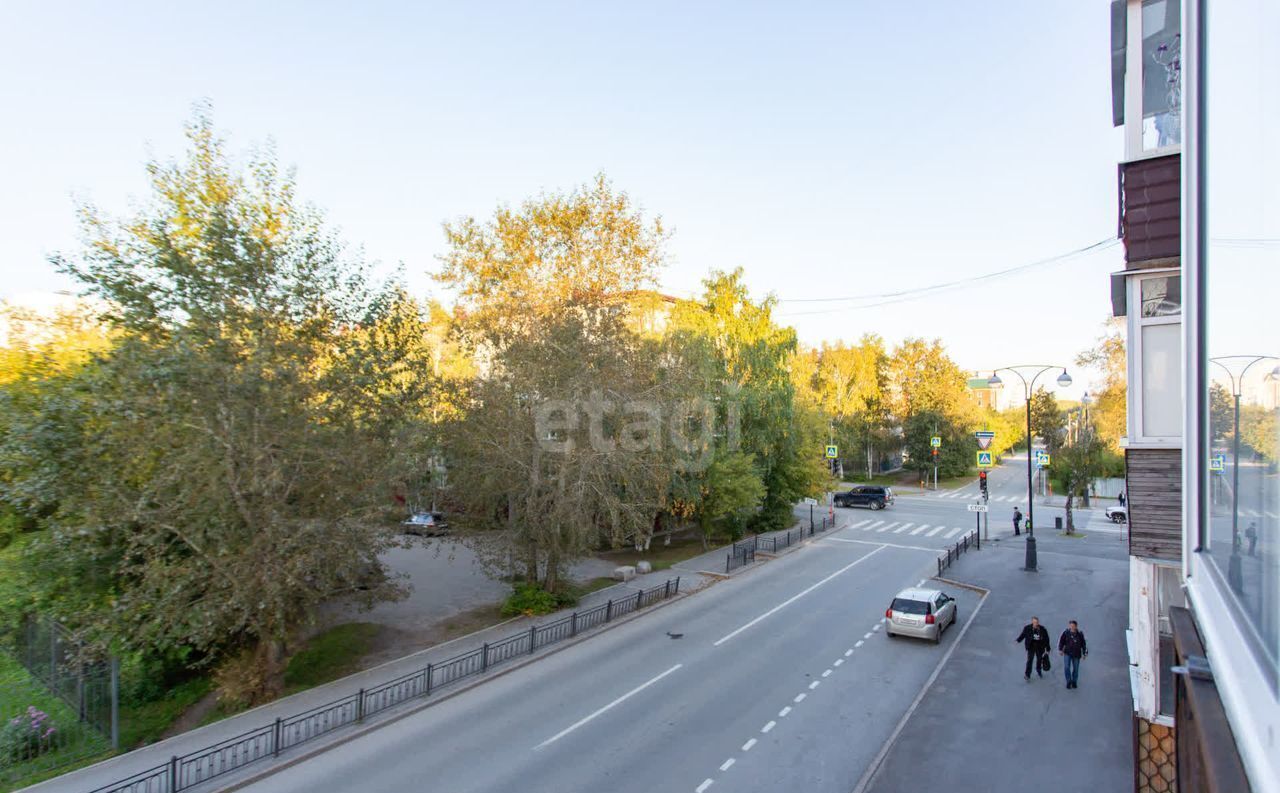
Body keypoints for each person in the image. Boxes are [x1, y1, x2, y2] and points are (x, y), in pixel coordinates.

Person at [1015, 616, 1050, 681]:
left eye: (1037, 622)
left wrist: (1048, 648)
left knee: (1039, 660)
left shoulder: (1042, 629)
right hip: (1031, 646)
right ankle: (1027, 675)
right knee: (1029, 660)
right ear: (1032, 622)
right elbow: (1023, 635)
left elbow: (1046, 639)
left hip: (1040, 647)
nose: (1036, 623)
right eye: (1034, 622)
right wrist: (1018, 640)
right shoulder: (1027, 628)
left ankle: (1038, 670)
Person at [1058, 620, 1088, 689]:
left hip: (1076, 654)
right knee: (1067, 667)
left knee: (1076, 669)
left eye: (1073, 626)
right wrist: (1060, 649)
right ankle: (1068, 681)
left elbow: (1083, 644)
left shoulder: (1080, 634)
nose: (1072, 627)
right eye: (1071, 626)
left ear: (1076, 626)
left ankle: (1074, 682)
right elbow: (1061, 641)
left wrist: (1084, 653)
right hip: (1067, 653)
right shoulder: (1066, 633)